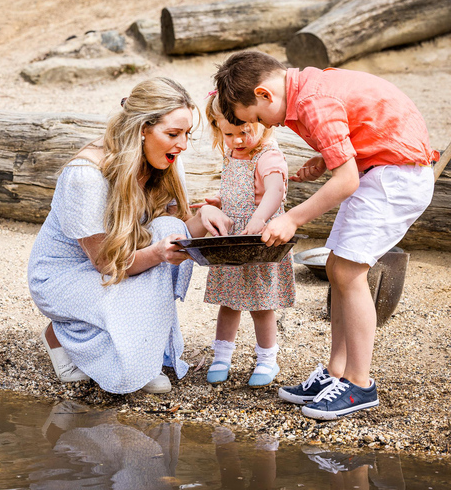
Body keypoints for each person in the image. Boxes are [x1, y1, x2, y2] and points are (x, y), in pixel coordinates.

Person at [214, 50, 438, 420]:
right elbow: (359, 136)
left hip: (396, 177)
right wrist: (327, 158)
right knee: (337, 267)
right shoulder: (309, 87)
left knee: (350, 272)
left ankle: (359, 385)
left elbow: (346, 180)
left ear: (265, 94)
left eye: (256, 117)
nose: (269, 127)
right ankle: (336, 373)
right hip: (380, 170)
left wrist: (293, 220)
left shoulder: (312, 101)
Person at [28, 77, 233, 395]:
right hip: (64, 276)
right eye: (173, 134)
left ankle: (136, 350)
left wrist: (203, 219)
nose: (182, 145)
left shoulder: (165, 160)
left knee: (168, 228)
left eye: (186, 135)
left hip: (122, 259)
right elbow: (107, 264)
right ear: (142, 129)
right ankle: (64, 332)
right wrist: (156, 254)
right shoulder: (86, 176)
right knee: (124, 376)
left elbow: (176, 235)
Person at [199, 92, 295, 387]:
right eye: (228, 133)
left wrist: (256, 220)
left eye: (244, 131)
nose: (237, 139)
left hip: (258, 241)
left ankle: (267, 360)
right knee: (228, 302)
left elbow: (274, 190)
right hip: (232, 239)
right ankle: (221, 356)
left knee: (260, 304)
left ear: (260, 123)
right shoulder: (231, 153)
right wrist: (221, 199)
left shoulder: (267, 156)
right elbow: (240, 189)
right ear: (218, 128)